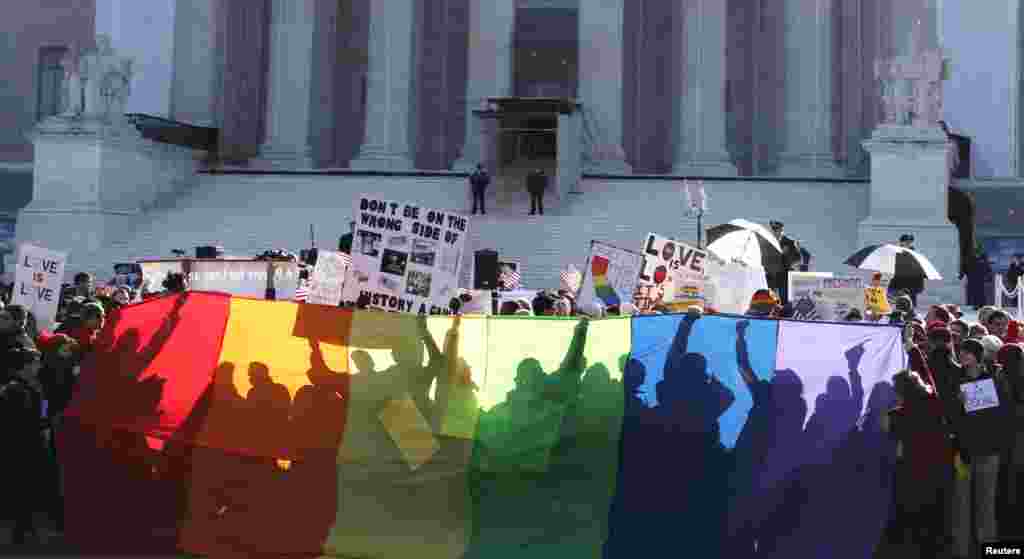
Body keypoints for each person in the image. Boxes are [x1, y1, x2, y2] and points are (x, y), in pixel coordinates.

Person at [888, 234, 926, 307]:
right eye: (906, 242)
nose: (908, 244)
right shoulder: (896, 252)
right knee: (897, 303)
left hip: (911, 284)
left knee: (910, 304)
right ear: (901, 242)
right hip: (898, 283)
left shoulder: (915, 254)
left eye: (910, 242)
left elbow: (920, 269)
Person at [767, 221, 801, 305]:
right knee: (771, 300)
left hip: (784, 276)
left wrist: (786, 255)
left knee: (784, 300)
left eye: (777, 229)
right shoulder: (768, 242)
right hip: (771, 277)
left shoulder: (790, 242)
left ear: (781, 230)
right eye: (773, 229)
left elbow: (797, 259)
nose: (775, 232)